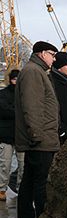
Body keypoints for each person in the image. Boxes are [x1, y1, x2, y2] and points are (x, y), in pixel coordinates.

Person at [14, 41, 59, 218]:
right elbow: (31, 107)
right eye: (52, 54)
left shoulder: (36, 71)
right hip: (40, 141)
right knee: (39, 185)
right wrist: (36, 135)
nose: (54, 58)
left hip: (41, 139)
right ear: (41, 54)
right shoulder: (33, 72)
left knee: (30, 182)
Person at [0, 69, 24, 200]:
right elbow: (4, 111)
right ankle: (1, 189)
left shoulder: (24, 94)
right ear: (10, 79)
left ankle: (21, 189)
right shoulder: (3, 94)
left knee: (22, 165)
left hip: (20, 135)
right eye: (15, 79)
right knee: (5, 164)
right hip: (6, 135)